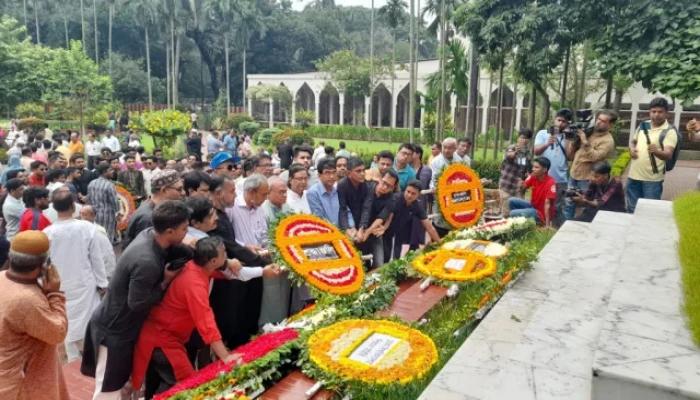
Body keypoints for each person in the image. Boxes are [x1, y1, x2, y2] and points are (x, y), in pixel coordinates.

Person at [81, 201, 191, 399]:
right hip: (114, 330)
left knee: (123, 384)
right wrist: (165, 282)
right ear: (169, 231)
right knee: (108, 389)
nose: (187, 233)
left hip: (123, 328)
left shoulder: (150, 234)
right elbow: (137, 302)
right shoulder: (146, 260)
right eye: (184, 229)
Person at [131, 237, 240, 398]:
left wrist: (231, 267)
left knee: (157, 386)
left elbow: (218, 272)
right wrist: (226, 357)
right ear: (213, 261)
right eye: (225, 254)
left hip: (161, 335)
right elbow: (206, 322)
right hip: (163, 340)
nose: (227, 256)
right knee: (186, 386)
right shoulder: (194, 285)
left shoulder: (194, 265)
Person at [207, 175, 278, 349]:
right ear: (252, 192)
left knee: (253, 309)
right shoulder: (228, 210)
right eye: (263, 194)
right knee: (236, 314)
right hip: (236, 269)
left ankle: (250, 346)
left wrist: (261, 249)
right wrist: (259, 261)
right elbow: (230, 244)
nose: (265, 198)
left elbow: (260, 234)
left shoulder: (257, 209)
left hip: (255, 263)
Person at [0, 231, 69, 400]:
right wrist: (55, 294)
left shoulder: (2, 277)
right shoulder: (27, 300)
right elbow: (58, 332)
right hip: (24, 386)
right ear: (44, 264)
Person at [44, 189, 108, 363]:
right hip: (85, 283)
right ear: (73, 206)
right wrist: (103, 284)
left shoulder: (47, 233)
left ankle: (74, 360)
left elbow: (45, 265)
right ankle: (90, 359)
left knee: (68, 322)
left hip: (61, 285)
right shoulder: (87, 228)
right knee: (88, 322)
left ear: (54, 208)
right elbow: (96, 258)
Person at [627, 97, 679, 213]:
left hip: (652, 180)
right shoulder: (643, 125)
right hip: (633, 176)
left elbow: (668, 155)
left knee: (650, 211)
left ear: (667, 113)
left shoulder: (669, 131)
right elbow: (633, 141)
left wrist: (656, 152)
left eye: (660, 112)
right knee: (631, 209)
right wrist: (631, 149)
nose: (656, 115)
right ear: (649, 112)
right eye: (653, 111)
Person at [563, 110, 616, 220]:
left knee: (585, 206)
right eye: (598, 119)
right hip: (574, 174)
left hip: (588, 179)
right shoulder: (588, 131)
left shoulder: (608, 141)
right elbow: (573, 152)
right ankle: (565, 227)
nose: (599, 122)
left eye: (603, 121)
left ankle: (584, 230)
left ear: (610, 125)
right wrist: (574, 140)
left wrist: (584, 140)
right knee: (568, 204)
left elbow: (596, 157)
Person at [122, 170, 184, 250]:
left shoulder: (154, 210)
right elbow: (147, 251)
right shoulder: (148, 217)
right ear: (164, 190)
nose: (183, 193)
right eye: (179, 189)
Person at [534, 108, 572, 223]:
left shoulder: (569, 137)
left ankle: (555, 231)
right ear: (554, 119)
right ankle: (541, 227)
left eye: (564, 121)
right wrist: (547, 144)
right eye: (559, 120)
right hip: (543, 178)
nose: (560, 123)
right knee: (541, 204)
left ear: (568, 123)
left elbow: (570, 157)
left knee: (557, 208)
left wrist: (567, 138)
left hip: (560, 179)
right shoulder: (543, 133)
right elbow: (536, 151)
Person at [388, 179, 441, 260]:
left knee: (396, 258)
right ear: (405, 190)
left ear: (418, 195)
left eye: (413, 193)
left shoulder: (417, 205)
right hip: (384, 232)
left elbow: (429, 228)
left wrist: (441, 245)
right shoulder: (395, 199)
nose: (409, 195)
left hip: (399, 232)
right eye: (408, 191)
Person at [360, 169, 399, 269]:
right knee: (361, 264)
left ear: (393, 187)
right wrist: (363, 228)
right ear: (380, 179)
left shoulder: (392, 199)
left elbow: (381, 217)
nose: (385, 187)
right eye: (384, 183)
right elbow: (366, 209)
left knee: (379, 264)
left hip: (375, 232)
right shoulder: (367, 188)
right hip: (360, 229)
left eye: (389, 186)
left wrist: (369, 231)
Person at [308, 158, 356, 230]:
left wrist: (352, 227)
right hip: (326, 235)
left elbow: (346, 211)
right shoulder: (313, 193)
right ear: (319, 175)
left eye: (334, 172)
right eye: (327, 173)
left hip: (343, 233)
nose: (332, 176)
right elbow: (319, 219)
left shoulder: (338, 190)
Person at [429, 137, 463, 237]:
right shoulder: (436, 161)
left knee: (454, 225)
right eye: (445, 147)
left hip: (456, 199)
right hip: (441, 198)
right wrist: (434, 188)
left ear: (455, 148)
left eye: (450, 148)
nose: (447, 150)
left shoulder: (459, 161)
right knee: (439, 224)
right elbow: (433, 179)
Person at [509, 157, 557, 227]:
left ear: (544, 170)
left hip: (541, 213)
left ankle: (539, 223)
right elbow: (524, 187)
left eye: (536, 167)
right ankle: (521, 225)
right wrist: (521, 186)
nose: (533, 169)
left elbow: (547, 204)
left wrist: (547, 225)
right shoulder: (533, 176)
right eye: (533, 166)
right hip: (534, 206)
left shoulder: (551, 183)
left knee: (512, 213)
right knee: (511, 200)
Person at [499, 129, 533, 216]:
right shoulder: (511, 147)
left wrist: (527, 177)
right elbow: (508, 155)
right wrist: (515, 152)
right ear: (518, 138)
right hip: (507, 185)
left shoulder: (527, 154)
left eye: (527, 138)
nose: (524, 140)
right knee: (506, 213)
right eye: (522, 138)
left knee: (519, 213)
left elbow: (528, 170)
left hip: (519, 189)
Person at [79, 205, 117, 279]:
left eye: (84, 214)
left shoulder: (98, 231)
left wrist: (107, 275)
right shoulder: (80, 229)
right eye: (80, 214)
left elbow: (108, 255)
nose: (81, 217)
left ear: (93, 216)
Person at [337, 157, 370, 241]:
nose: (362, 174)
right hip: (348, 222)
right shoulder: (342, 185)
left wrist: (361, 228)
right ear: (348, 173)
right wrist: (346, 228)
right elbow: (342, 208)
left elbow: (366, 208)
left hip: (364, 224)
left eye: (363, 170)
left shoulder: (367, 186)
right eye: (358, 171)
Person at [87, 163, 121, 244]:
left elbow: (89, 199)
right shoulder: (109, 185)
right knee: (107, 237)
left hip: (94, 214)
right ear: (105, 172)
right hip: (107, 216)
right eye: (110, 170)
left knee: (96, 236)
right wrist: (118, 212)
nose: (113, 172)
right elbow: (115, 201)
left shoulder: (92, 183)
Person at [409, 144, 432, 251]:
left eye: (411, 153)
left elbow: (430, 190)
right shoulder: (406, 169)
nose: (408, 155)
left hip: (420, 206)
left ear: (418, 154)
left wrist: (430, 207)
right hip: (406, 206)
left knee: (418, 232)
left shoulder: (427, 170)